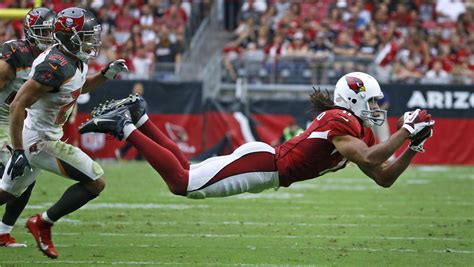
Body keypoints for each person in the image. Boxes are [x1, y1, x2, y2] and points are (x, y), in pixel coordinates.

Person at [80, 72, 434, 200]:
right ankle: (124, 125)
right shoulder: (342, 120)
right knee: (181, 183)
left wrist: (413, 145)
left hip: (267, 168)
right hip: (266, 165)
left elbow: (383, 176)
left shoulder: (356, 130)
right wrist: (405, 129)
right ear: (354, 98)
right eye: (371, 101)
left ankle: (140, 118)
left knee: (185, 171)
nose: (375, 108)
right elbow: (371, 159)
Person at [1, 7, 128, 259]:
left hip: (40, 134)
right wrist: (17, 151)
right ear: (70, 37)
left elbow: (78, 86)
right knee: (96, 181)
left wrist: (105, 75)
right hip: (40, 140)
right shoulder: (55, 64)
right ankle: (43, 223)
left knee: (6, 193)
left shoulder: (72, 59)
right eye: (86, 35)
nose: (91, 41)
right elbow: (17, 105)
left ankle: (14, 228)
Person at [0, 7, 56, 248]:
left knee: (27, 175)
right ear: (31, 33)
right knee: (14, 170)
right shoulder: (16, 53)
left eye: (51, 31)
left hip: (20, 121)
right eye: (44, 32)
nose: (49, 36)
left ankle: (3, 232)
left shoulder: (54, 56)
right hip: (2, 117)